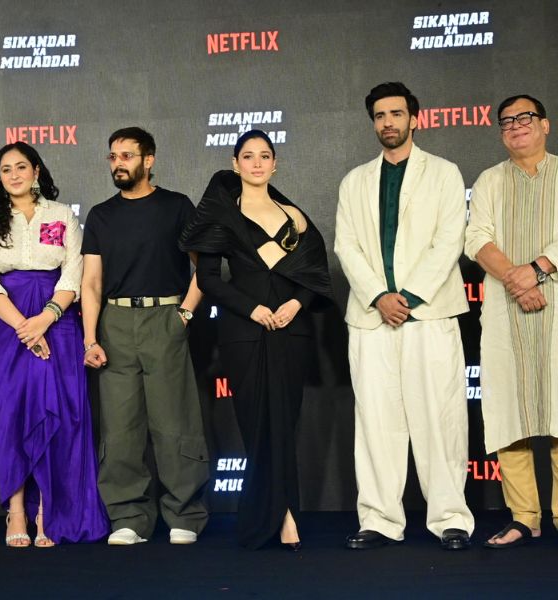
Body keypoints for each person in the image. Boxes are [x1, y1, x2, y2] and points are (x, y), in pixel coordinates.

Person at [335, 82, 474, 551]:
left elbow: (450, 240)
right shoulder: (354, 181)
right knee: (375, 423)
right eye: (379, 115)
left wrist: (408, 297)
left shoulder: (445, 173)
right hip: (371, 319)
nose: (388, 122)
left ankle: (451, 518)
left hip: (429, 315)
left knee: (440, 420)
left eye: (396, 113)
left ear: (415, 118)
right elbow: (346, 246)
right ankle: (379, 519)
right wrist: (380, 296)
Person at [180, 129, 333, 550]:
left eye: (265, 155)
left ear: (275, 164)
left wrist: (296, 305)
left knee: (285, 422)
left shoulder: (294, 216)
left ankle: (286, 513)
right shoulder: (221, 216)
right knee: (256, 425)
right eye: (248, 156)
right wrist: (252, 309)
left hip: (291, 330)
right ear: (235, 164)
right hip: (243, 333)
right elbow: (209, 279)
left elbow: (314, 274)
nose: (257, 163)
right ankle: (274, 514)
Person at [465, 95, 558, 551]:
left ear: (545, 124)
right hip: (506, 305)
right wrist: (518, 281)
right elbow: (476, 237)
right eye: (506, 122)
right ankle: (523, 517)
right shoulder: (489, 180)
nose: (516, 126)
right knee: (508, 409)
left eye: (525, 118)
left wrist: (537, 269)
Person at [0, 141, 108, 547]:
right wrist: (23, 327)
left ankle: (49, 510)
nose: (14, 175)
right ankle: (16, 512)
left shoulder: (61, 215)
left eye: (21, 167)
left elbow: (74, 272)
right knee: (13, 411)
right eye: (5, 169)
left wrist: (45, 318)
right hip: (7, 323)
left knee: (59, 410)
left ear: (36, 171)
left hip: (58, 321)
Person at [81, 127, 209, 545]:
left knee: (174, 421)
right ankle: (128, 517)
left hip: (164, 317)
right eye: (113, 156)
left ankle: (184, 515)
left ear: (148, 160)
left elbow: (205, 266)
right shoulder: (101, 215)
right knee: (120, 427)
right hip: (115, 323)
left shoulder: (176, 206)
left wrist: (184, 314)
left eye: (127, 156)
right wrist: (90, 338)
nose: (118, 163)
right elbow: (91, 283)